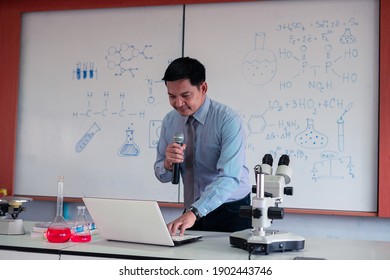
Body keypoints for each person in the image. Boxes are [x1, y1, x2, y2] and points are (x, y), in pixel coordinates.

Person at [154, 57, 251, 235]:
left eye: (185, 95)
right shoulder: (170, 120)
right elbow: (161, 174)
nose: (178, 103)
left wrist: (195, 212)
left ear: (203, 88)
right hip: (192, 209)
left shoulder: (227, 120)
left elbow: (229, 177)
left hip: (231, 209)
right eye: (171, 96)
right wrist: (168, 164)